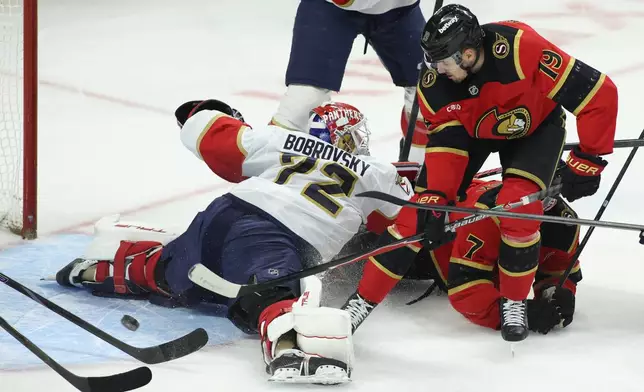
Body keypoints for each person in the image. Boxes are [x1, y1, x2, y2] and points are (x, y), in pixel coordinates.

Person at [54, 99, 414, 384]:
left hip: (223, 213)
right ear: (349, 138)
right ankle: (294, 349)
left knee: (171, 272)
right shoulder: (380, 173)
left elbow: (212, 134)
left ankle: (103, 269)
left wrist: (203, 114)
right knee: (268, 292)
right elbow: (403, 223)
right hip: (275, 235)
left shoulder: (283, 139)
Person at [346, 3, 616, 342]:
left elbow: (599, 93)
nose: (438, 70)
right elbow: (447, 144)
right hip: (469, 133)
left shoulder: (521, 48)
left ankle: (513, 303)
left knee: (520, 205)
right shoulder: (435, 83)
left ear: (469, 53)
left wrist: (589, 159)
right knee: (416, 215)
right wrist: (435, 199)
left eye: (444, 62)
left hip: (535, 129)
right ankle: (360, 302)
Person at [343, 177, 582, 336]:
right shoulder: (489, 215)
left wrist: (558, 292)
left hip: (456, 225)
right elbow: (464, 289)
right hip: (426, 250)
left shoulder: (564, 222)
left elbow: (559, 269)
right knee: (347, 258)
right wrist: (511, 312)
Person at [270, 0, 429, 163]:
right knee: (302, 104)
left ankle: (424, 174)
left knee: (429, 98)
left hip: (398, 10)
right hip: (329, 7)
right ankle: (269, 165)